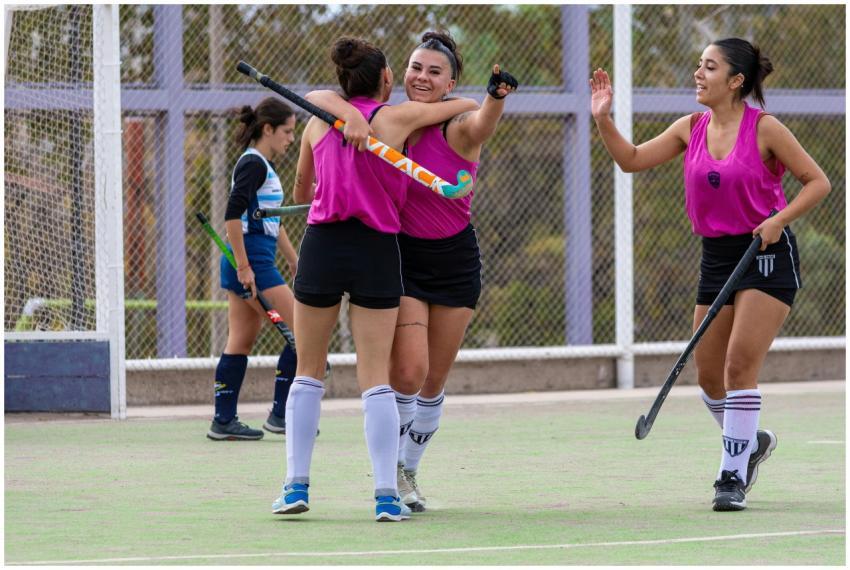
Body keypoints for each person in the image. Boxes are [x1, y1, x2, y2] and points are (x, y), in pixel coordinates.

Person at [590, 38, 830, 511]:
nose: (699, 74)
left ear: (736, 80)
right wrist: (603, 118)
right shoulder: (690, 127)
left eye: (710, 67)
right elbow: (631, 159)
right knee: (708, 376)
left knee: (740, 366)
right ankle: (750, 441)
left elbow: (817, 181)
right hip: (717, 257)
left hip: (766, 254)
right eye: (698, 65)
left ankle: (730, 477)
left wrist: (779, 219)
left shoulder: (766, 128)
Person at [270, 36, 479, 522]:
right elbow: (465, 103)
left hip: (322, 246)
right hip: (377, 252)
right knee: (375, 381)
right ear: (388, 79)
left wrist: (339, 121)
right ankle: (386, 495)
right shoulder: (396, 119)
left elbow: (302, 191)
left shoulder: (316, 123)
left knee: (309, 370)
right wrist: (361, 121)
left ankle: (295, 486)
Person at [309, 31, 518, 513]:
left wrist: (494, 97)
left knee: (433, 383)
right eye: (415, 67)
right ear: (398, 73)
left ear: (451, 82)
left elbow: (483, 124)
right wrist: (352, 116)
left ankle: (408, 466)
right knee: (408, 370)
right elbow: (320, 98)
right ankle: (391, 475)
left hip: (453, 261)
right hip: (400, 257)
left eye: (434, 71)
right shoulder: (387, 119)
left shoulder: (458, 125)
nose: (421, 77)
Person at [206, 97, 300, 441]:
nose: (291, 139)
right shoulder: (255, 164)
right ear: (268, 129)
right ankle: (280, 415)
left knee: (240, 342)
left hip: (256, 259)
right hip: (251, 262)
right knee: (303, 332)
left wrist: (292, 258)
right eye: (287, 132)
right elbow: (232, 216)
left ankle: (224, 421)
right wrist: (245, 267)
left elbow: (272, 220)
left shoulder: (261, 166)